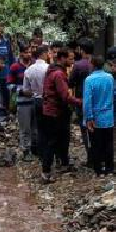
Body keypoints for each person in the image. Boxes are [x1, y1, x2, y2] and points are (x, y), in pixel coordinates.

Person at [39, 50, 81, 182]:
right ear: (62, 58)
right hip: (55, 112)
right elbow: (65, 96)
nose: (72, 61)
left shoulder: (51, 71)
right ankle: (46, 171)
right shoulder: (58, 74)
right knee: (52, 142)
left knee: (58, 140)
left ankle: (62, 164)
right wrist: (81, 101)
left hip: (50, 111)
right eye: (70, 58)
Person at [82, 55, 116, 175]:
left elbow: (87, 101)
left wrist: (89, 117)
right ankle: (109, 167)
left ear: (92, 65)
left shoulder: (89, 80)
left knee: (96, 144)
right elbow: (113, 94)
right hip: (108, 116)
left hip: (95, 117)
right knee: (108, 143)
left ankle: (98, 169)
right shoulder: (110, 78)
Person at [22, 45, 50, 161]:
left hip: (35, 100)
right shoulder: (48, 68)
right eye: (47, 53)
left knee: (37, 127)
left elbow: (25, 90)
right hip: (47, 100)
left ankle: (39, 151)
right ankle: (47, 152)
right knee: (48, 127)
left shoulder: (29, 70)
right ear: (43, 54)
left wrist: (34, 93)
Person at [70, 39, 96, 167]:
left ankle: (91, 156)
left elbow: (71, 82)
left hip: (82, 100)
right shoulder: (96, 63)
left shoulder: (78, 65)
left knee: (85, 128)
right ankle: (99, 155)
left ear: (81, 50)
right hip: (97, 101)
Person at [9, 49, 36, 158]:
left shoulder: (34, 65)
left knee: (35, 127)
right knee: (25, 128)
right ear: (21, 54)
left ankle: (35, 148)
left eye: (29, 52)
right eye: (26, 52)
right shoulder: (15, 67)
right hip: (22, 102)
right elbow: (9, 84)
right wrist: (21, 91)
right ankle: (26, 150)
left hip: (35, 101)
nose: (28, 54)